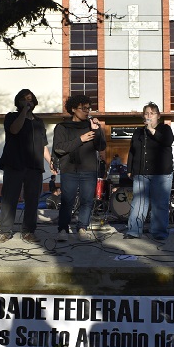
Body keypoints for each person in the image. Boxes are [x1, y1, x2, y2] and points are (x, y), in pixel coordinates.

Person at [0, 89, 56, 244]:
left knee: (32, 200)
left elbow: (43, 145)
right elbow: (14, 130)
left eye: (30, 99)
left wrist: (50, 161)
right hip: (14, 164)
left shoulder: (38, 122)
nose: (27, 101)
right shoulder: (12, 117)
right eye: (24, 99)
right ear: (18, 102)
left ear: (34, 102)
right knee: (10, 199)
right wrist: (23, 111)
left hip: (34, 166)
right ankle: (5, 231)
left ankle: (28, 231)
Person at [53, 94, 106, 242]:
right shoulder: (62, 127)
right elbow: (59, 148)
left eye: (89, 108)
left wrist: (97, 130)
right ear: (73, 109)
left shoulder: (90, 125)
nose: (87, 111)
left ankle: (82, 228)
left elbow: (101, 146)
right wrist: (80, 140)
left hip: (89, 169)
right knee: (67, 200)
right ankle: (63, 229)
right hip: (69, 170)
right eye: (83, 108)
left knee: (87, 200)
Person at [124, 102, 174, 241]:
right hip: (141, 173)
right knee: (138, 202)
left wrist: (152, 130)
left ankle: (158, 232)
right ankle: (134, 230)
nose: (149, 116)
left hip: (161, 173)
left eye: (152, 114)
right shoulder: (138, 132)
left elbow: (168, 141)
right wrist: (129, 169)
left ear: (158, 116)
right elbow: (132, 151)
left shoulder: (165, 129)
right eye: (146, 113)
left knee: (160, 204)